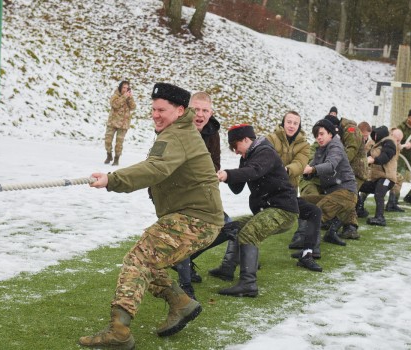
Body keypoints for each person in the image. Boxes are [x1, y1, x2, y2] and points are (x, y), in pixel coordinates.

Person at [79, 83, 224, 349]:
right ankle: (181, 303)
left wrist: (112, 180)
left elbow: (155, 168)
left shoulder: (177, 135)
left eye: (162, 110)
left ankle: (119, 331)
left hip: (196, 219)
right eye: (153, 109)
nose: (155, 115)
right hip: (195, 216)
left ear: (180, 110)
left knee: (139, 258)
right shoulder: (178, 130)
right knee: (149, 262)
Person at [213, 124, 320, 297]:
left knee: (249, 233)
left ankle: (248, 284)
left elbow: (254, 171)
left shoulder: (265, 152)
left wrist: (229, 174)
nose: (235, 151)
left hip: (283, 210)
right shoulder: (249, 156)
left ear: (246, 140)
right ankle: (227, 269)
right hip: (270, 209)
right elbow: (238, 188)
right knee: (234, 227)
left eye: (235, 146)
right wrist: (225, 176)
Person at [173, 91, 226, 299]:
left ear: (211, 113)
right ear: (187, 109)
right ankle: (185, 289)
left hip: (202, 192)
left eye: (205, 110)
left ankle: (182, 263)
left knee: (225, 225)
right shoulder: (177, 128)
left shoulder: (212, 133)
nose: (200, 114)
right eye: (196, 109)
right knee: (185, 236)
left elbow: (215, 165)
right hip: (177, 191)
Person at [301, 119, 359, 246]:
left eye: (322, 134)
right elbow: (309, 168)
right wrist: (303, 171)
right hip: (334, 194)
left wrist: (312, 169)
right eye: (316, 135)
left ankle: (309, 248)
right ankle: (330, 234)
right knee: (303, 202)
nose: (319, 138)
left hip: (346, 193)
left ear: (330, 134)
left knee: (316, 213)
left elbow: (331, 165)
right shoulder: (320, 150)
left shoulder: (335, 146)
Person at [265, 111, 312, 250]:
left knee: (297, 214)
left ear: (299, 125)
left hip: (289, 188)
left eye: (295, 123)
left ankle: (303, 242)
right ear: (283, 123)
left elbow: (300, 163)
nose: (292, 126)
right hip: (268, 187)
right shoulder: (270, 139)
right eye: (289, 122)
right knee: (261, 221)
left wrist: (285, 170)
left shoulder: (304, 145)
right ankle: (250, 254)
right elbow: (265, 158)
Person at [359, 125, 398, 226]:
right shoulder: (376, 145)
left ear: (381, 134)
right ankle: (359, 209)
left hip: (387, 177)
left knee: (379, 194)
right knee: (358, 186)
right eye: (374, 135)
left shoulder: (389, 143)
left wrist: (374, 160)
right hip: (375, 178)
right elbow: (365, 156)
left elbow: (386, 155)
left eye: (376, 134)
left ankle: (380, 218)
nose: (374, 137)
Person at [104, 80, 136, 166]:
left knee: (119, 143)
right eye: (123, 87)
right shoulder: (115, 95)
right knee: (108, 141)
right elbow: (115, 105)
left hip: (123, 124)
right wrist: (124, 97)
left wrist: (130, 98)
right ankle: (109, 155)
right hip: (112, 122)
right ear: (120, 88)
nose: (125, 89)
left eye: (127, 88)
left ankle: (116, 158)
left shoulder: (129, 97)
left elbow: (133, 107)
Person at [385, 127, 405, 212]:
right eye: (397, 140)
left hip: (388, 170)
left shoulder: (395, 145)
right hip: (380, 170)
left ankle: (392, 203)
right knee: (395, 178)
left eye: (399, 141)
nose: (398, 143)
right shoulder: (385, 143)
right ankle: (360, 203)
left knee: (398, 178)